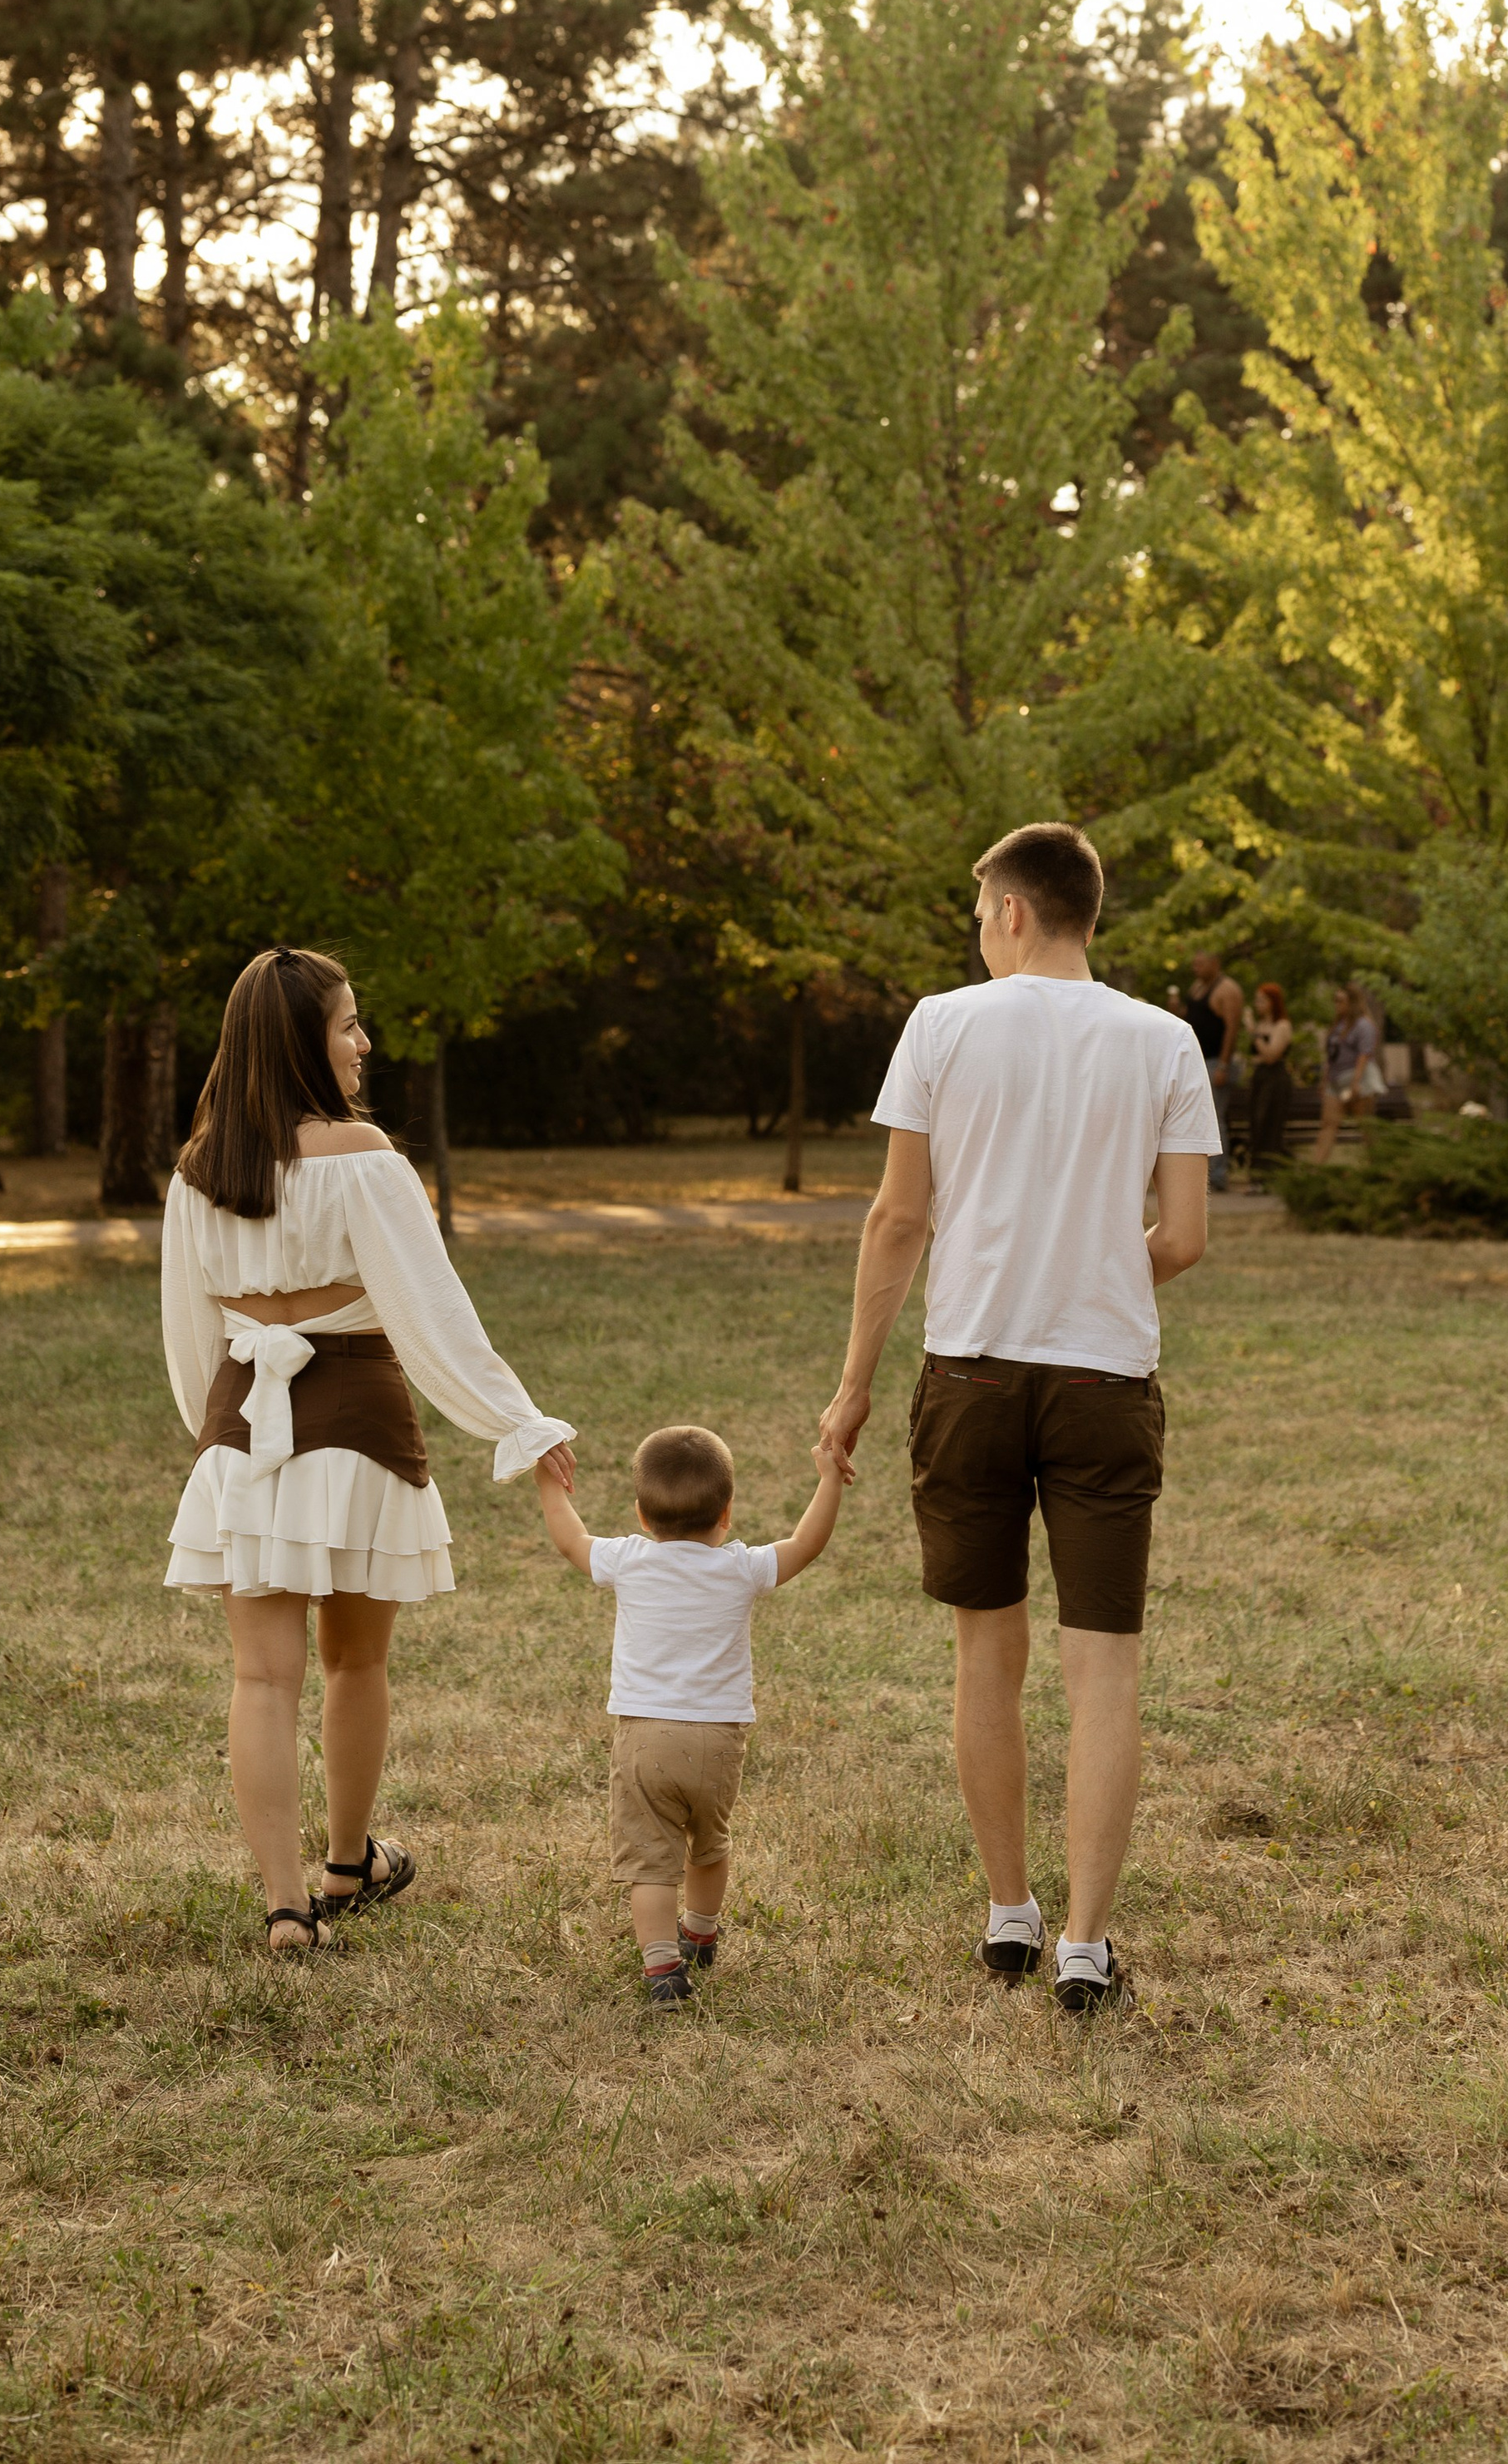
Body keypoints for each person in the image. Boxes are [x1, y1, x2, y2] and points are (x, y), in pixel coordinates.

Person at [818, 821, 1216, 2016]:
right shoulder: (1166, 1038)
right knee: (1107, 1670)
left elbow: (898, 1219)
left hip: (970, 1376)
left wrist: (852, 1381)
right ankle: (1087, 1942)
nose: (974, 922)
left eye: (977, 902)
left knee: (986, 1652)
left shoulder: (941, 1024)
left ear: (1011, 911)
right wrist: (1092, 1271)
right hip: (1105, 1381)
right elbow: (1187, 1237)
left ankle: (1009, 1910)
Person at [161, 945, 576, 1952]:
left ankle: (284, 1905)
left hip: (242, 1433)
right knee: (356, 1662)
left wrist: (216, 1438)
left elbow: (188, 1338)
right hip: (357, 1426)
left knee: (261, 1679)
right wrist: (519, 1422)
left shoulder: (199, 1169)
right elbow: (434, 1313)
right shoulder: (363, 1156)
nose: (364, 1042)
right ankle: (347, 1867)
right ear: (307, 1039)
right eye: (350, 1023)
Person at [532, 1424, 843, 2007]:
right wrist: (828, 1481)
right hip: (719, 1743)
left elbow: (570, 1539)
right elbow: (806, 1543)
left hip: (644, 1739)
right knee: (709, 1843)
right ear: (726, 1513)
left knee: (651, 1863)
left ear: (642, 1516)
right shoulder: (740, 1567)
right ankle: (700, 1930)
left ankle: (664, 1968)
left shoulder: (626, 1558)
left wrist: (549, 1482)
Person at [1180, 953, 1245, 1190]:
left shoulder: (1227, 990)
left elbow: (1232, 1028)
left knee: (1215, 1120)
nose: (1195, 968)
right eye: (1194, 963)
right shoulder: (1197, 987)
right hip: (1197, 1060)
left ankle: (1218, 1176)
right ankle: (1200, 1176)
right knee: (1195, 1120)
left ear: (1215, 964)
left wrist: (1224, 1065)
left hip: (1216, 1062)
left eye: (1201, 964)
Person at [1309, 982, 1383, 1164]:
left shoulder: (1363, 1025)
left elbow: (1364, 1055)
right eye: (1335, 1000)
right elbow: (1331, 1055)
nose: (1337, 1004)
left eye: (1341, 1000)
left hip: (1358, 1081)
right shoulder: (1337, 1026)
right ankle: (1315, 1170)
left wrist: (1356, 1082)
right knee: (1328, 1124)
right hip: (1335, 1082)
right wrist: (1324, 1080)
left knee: (1366, 1128)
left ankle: (1379, 1169)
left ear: (1353, 1002)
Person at [1244, 982, 1294, 1173]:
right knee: (1256, 1125)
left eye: (1262, 1000)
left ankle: (1270, 1174)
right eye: (1256, 1000)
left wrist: (1254, 1034)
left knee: (1269, 1125)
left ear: (1273, 1002)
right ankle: (1257, 1173)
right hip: (1259, 1077)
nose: (1257, 1004)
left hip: (1275, 1079)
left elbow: (1271, 1056)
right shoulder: (1261, 1024)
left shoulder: (1282, 1026)